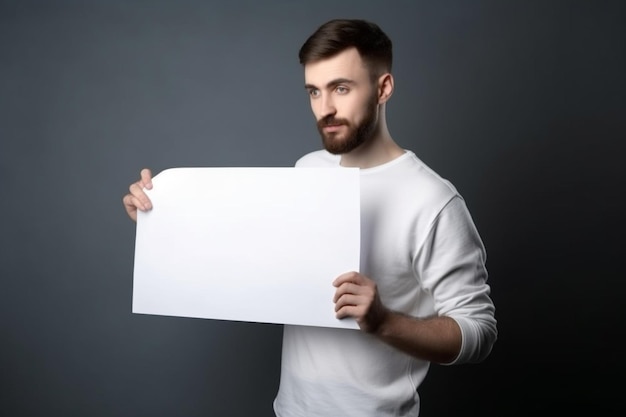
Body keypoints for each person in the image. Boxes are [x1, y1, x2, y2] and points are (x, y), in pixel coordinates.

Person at [122, 18, 497, 417]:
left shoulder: (432, 200)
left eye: (341, 88)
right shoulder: (309, 170)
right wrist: (161, 219)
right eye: (314, 92)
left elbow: (479, 332)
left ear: (383, 88)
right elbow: (251, 257)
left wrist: (383, 320)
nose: (325, 108)